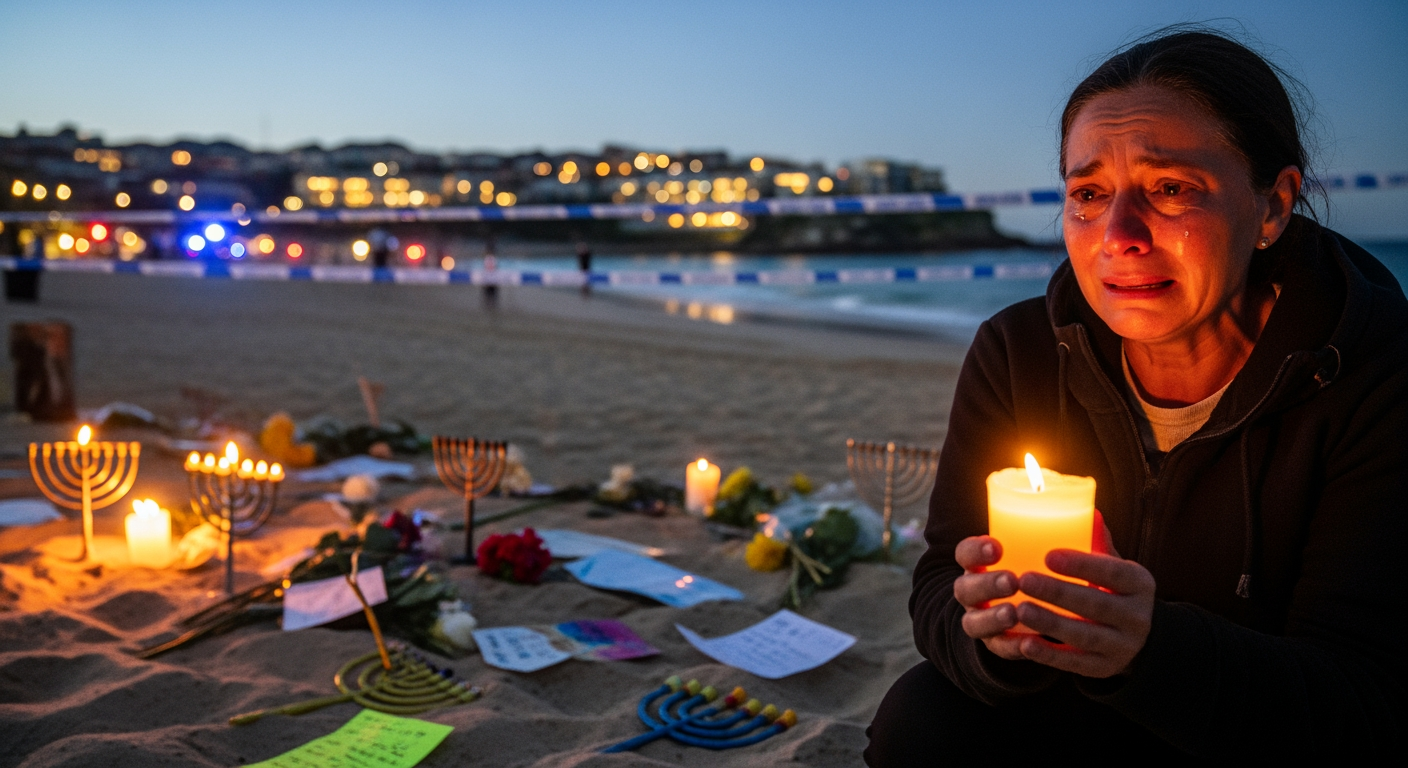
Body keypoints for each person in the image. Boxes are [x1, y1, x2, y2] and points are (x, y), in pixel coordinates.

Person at [865, 28, 1406, 763]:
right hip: (1068, 709)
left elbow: (1363, 698)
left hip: (1251, 735)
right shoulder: (1019, 354)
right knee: (923, 716)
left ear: (1274, 206)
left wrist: (1148, 649)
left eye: (1171, 189)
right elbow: (939, 581)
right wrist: (994, 645)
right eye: (1088, 194)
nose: (1118, 235)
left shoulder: (1373, 377)